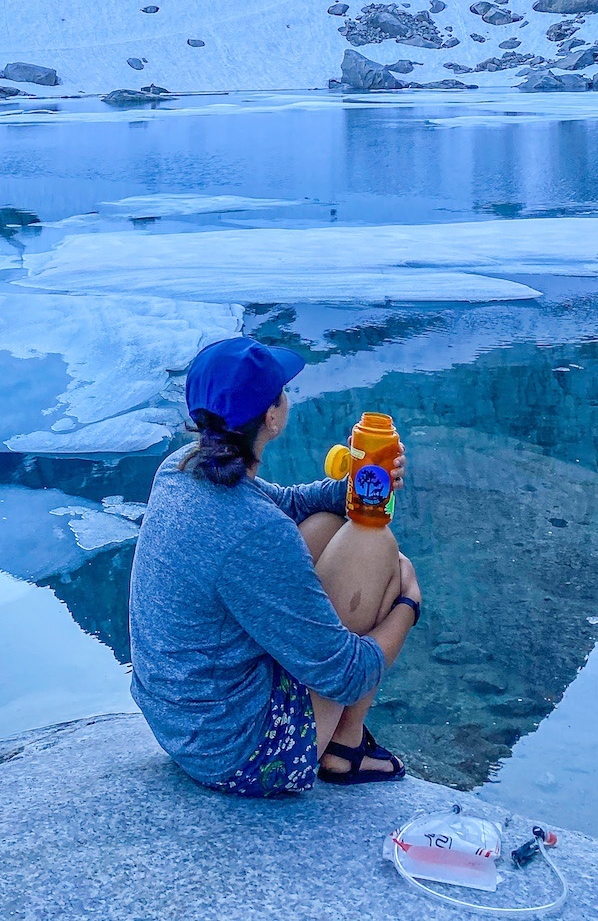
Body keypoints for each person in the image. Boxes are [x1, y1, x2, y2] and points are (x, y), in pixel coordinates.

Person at [129, 336, 421, 797]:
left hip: (184, 722)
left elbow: (289, 504)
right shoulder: (255, 532)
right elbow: (347, 673)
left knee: (326, 522)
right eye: (283, 391)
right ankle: (344, 749)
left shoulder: (180, 468)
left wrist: (353, 488)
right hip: (239, 754)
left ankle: (342, 742)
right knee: (377, 543)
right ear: (271, 415)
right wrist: (408, 601)